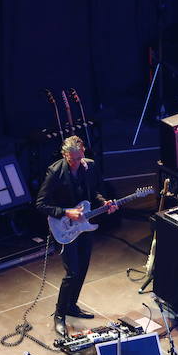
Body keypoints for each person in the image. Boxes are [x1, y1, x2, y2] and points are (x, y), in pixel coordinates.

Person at [35, 136, 117, 337]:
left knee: (82, 269)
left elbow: (96, 191)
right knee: (71, 272)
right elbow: (40, 204)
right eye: (72, 159)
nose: (76, 162)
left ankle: (72, 306)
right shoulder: (55, 172)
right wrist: (65, 212)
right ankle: (59, 314)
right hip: (63, 227)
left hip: (83, 226)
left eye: (79, 158)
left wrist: (104, 202)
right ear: (65, 155)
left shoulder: (89, 166)